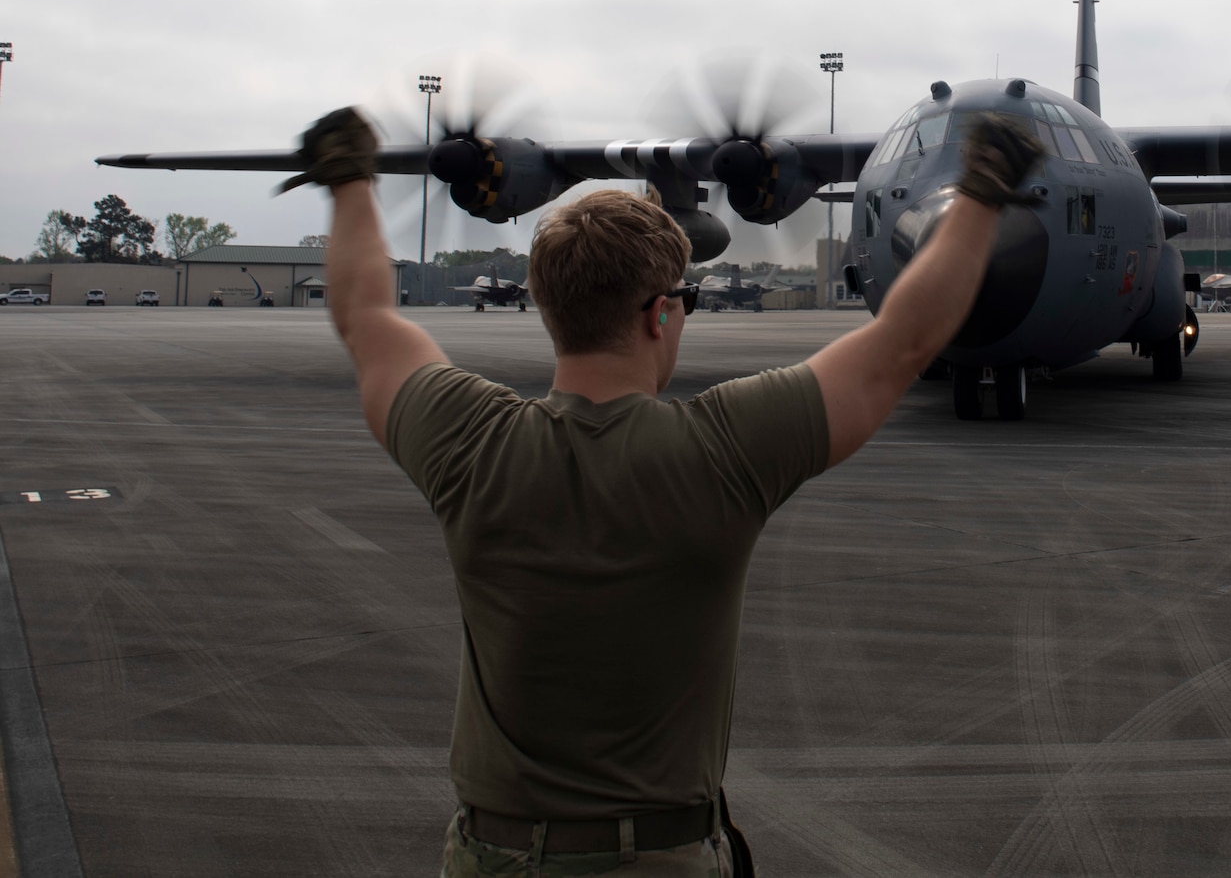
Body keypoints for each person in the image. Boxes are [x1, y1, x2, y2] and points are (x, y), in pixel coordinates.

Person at [291, 107, 1042, 876]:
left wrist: (351, 183)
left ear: (550, 306)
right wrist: (981, 194)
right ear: (659, 313)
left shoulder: (467, 440)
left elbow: (366, 316)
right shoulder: (722, 450)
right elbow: (902, 344)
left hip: (494, 854)